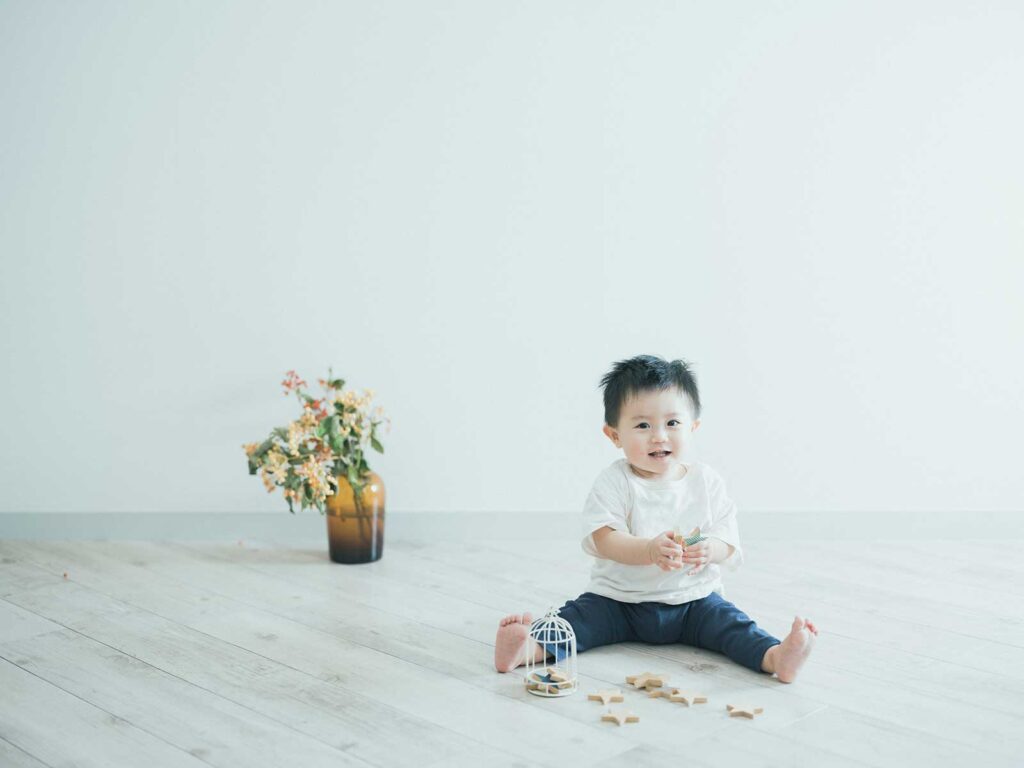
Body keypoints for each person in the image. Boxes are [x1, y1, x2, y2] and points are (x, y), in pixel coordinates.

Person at [494, 355, 818, 682]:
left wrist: (711, 549)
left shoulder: (706, 482)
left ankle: (776, 657)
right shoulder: (614, 482)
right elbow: (605, 539)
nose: (659, 436)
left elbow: (728, 540)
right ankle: (526, 649)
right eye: (642, 425)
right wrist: (648, 550)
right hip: (618, 601)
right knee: (575, 622)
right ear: (614, 435)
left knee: (732, 626)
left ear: (693, 428)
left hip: (694, 602)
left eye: (672, 423)